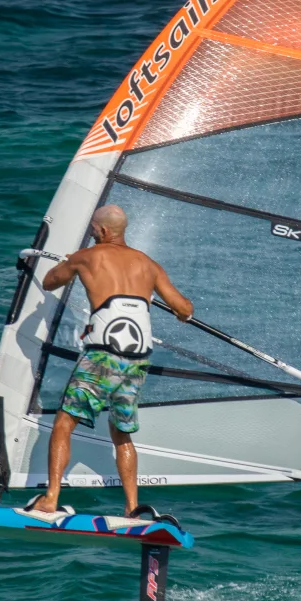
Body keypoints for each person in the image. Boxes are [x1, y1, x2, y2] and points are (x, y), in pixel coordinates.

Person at [27, 204, 192, 520]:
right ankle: (131, 508)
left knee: (64, 424)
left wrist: (68, 263)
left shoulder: (86, 257)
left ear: (102, 230)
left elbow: (49, 282)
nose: (91, 233)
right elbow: (184, 309)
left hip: (104, 354)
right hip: (137, 360)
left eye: (93, 228)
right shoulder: (149, 265)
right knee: (121, 432)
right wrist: (181, 311)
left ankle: (50, 498)